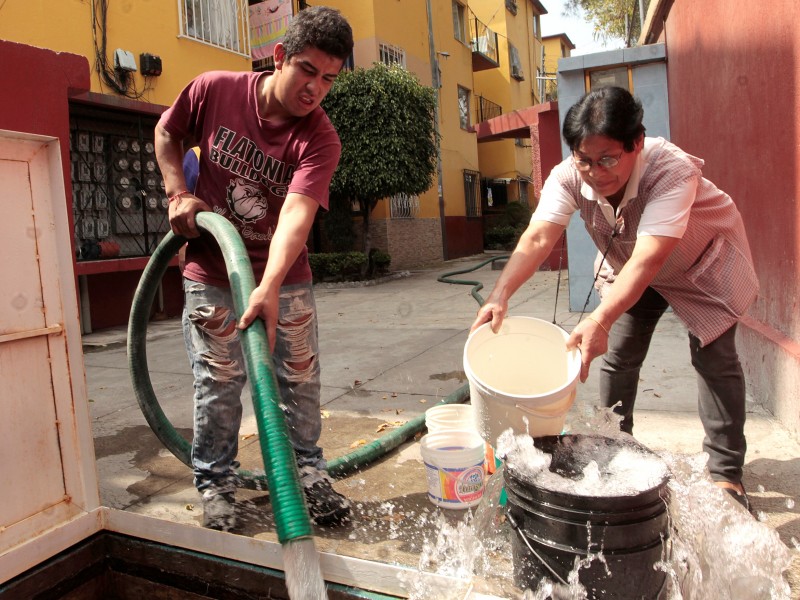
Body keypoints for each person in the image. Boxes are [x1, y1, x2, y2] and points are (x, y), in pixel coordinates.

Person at [471, 86, 758, 511]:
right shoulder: (569, 175)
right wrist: (499, 295)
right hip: (632, 265)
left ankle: (726, 474)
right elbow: (537, 238)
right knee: (620, 354)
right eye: (584, 160)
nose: (595, 172)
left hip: (699, 261)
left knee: (714, 358)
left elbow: (649, 257)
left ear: (636, 143)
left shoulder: (671, 171)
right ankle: (613, 445)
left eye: (607, 159)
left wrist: (599, 317)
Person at [154, 6, 354, 531]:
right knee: (219, 384)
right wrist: (179, 193)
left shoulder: (321, 137)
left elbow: (296, 214)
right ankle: (216, 483)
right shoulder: (214, 90)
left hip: (285, 277)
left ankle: (308, 475)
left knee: (299, 380)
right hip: (211, 269)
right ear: (280, 56)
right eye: (307, 70)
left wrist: (267, 286)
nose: (315, 88)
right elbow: (166, 133)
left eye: (328, 79)